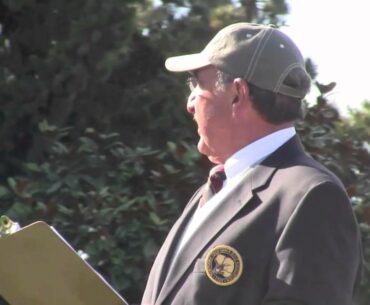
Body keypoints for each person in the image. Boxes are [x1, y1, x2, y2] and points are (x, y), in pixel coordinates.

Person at [141, 23, 362, 305]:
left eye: (197, 84)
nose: (190, 103)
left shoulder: (312, 196)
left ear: (237, 94)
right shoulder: (214, 190)